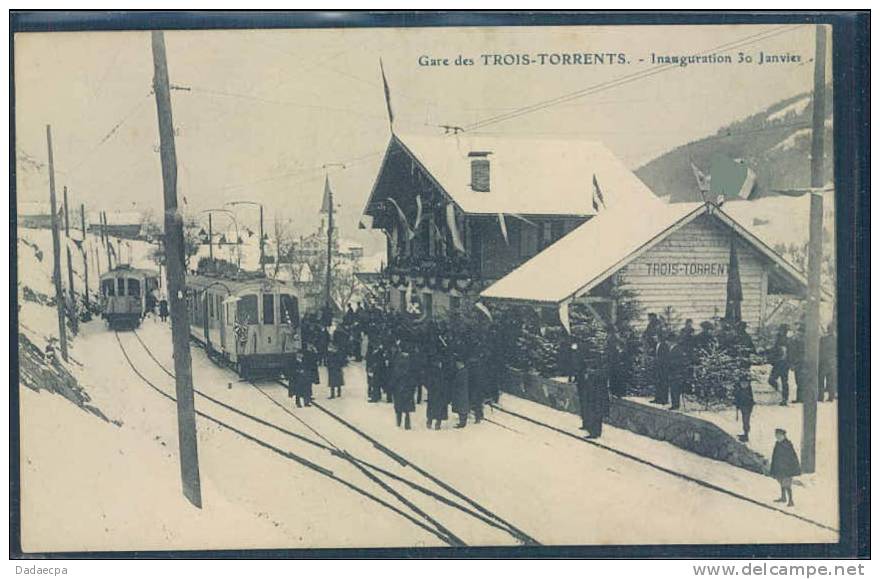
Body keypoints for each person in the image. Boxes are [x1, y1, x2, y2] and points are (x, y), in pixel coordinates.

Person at [770, 428, 801, 507]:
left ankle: (791, 501)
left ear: (784, 436)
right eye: (776, 435)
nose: (777, 437)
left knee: (787, 484)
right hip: (779, 468)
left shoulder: (787, 445)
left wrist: (793, 469)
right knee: (781, 482)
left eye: (779, 435)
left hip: (787, 469)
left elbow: (793, 458)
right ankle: (783, 497)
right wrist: (773, 468)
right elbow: (774, 457)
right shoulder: (777, 444)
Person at [390, 345, 416, 429]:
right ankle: (407, 424)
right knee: (407, 408)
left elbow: (395, 374)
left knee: (399, 407)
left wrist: (392, 385)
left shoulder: (398, 360)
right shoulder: (411, 361)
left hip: (399, 387)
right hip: (408, 387)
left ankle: (398, 422)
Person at [768, 324, 791, 405]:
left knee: (774, 380)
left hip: (781, 363)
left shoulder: (783, 340)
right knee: (783, 381)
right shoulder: (784, 339)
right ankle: (783, 397)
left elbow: (780, 351)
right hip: (782, 363)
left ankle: (782, 396)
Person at [652, 330, 671, 405]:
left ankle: (664, 399)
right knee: (658, 382)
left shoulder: (664, 345)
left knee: (663, 383)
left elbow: (665, 357)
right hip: (658, 367)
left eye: (655, 336)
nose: (654, 337)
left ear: (659, 337)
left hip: (663, 367)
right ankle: (657, 398)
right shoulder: (657, 344)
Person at [788, 323, 806, 403]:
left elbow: (792, 352)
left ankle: (800, 398)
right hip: (807, 362)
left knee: (799, 380)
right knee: (804, 380)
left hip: (798, 362)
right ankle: (804, 397)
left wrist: (792, 363)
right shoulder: (809, 339)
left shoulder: (795, 339)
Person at [818, 324, 837, 402]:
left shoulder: (823, 339)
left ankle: (820, 397)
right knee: (831, 380)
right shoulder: (836, 339)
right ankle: (831, 397)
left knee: (821, 380)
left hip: (823, 362)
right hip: (833, 362)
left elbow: (819, 350)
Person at [451, 358, 470, 429]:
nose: (457, 365)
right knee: (461, 407)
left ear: (461, 363)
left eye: (458, 364)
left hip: (461, 392)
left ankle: (462, 422)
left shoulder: (463, 372)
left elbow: (460, 382)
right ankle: (462, 422)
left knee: (462, 407)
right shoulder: (462, 371)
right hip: (460, 392)